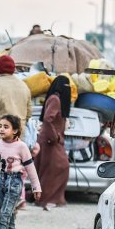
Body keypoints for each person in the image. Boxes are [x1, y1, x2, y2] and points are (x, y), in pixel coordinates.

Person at [0, 55, 32, 200]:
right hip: (17, 136)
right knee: (14, 170)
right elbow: (28, 113)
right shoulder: (24, 86)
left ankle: (4, 205)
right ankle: (13, 202)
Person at [35, 76, 71, 210]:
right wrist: (55, 136)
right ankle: (48, 199)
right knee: (60, 167)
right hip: (51, 140)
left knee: (49, 170)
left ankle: (50, 199)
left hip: (52, 139)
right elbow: (48, 119)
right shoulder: (55, 99)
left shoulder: (55, 99)